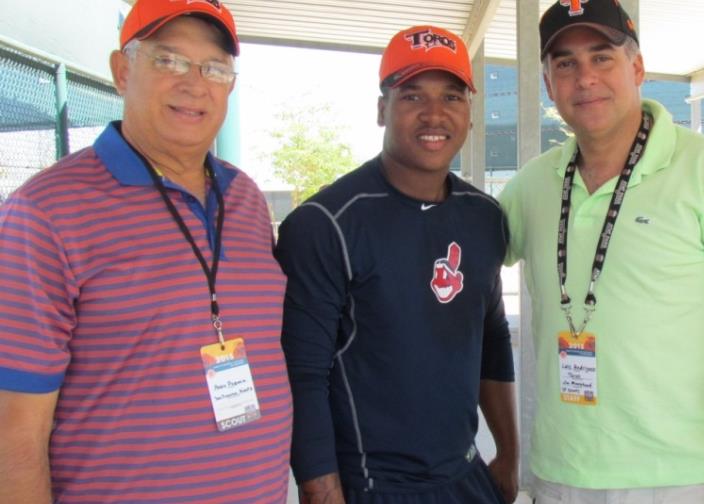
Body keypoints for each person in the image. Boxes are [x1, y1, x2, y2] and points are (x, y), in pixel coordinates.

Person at [0, 1, 292, 502]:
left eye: (214, 68)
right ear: (121, 71)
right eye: (168, 60)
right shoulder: (45, 211)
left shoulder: (243, 197)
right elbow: (13, 433)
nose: (194, 83)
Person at [499, 1, 704, 503]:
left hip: (684, 478)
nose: (585, 78)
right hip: (560, 475)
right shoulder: (531, 185)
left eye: (602, 57)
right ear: (548, 85)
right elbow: (450, 257)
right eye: (565, 64)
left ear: (637, 69)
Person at [275, 25, 518, 504]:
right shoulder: (325, 224)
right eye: (412, 96)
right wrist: (320, 488)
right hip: (370, 486)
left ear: (469, 111)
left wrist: (509, 455)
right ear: (382, 109)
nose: (434, 113)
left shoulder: (484, 216)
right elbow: (303, 373)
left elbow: (491, 336)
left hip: (465, 477)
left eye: (452, 96)